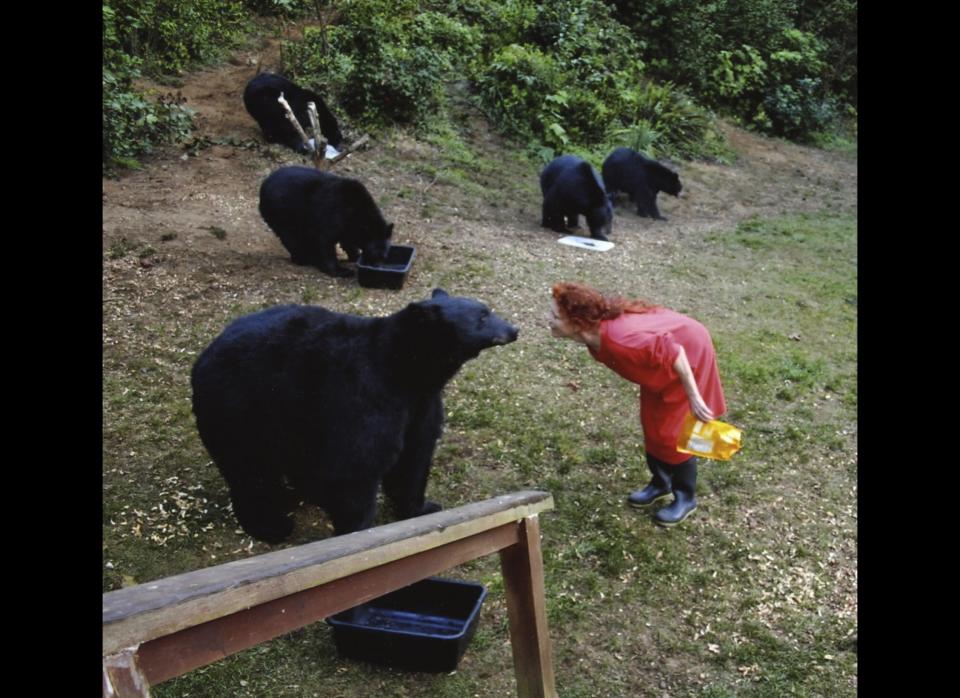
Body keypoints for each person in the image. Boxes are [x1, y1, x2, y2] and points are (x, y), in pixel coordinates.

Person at [547, 282, 727, 526]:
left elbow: (675, 354)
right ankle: (660, 483)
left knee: (672, 435)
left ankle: (686, 498)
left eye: (555, 316)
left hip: (689, 353)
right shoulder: (595, 336)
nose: (549, 319)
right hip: (658, 365)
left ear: (577, 323)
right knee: (652, 425)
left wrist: (694, 396)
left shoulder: (623, 341)